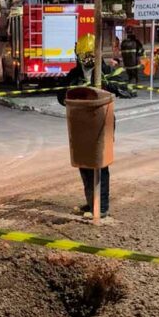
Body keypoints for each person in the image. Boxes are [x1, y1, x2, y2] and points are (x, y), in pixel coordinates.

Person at [58, 34, 130, 219]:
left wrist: (106, 85)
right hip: (80, 124)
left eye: (90, 56)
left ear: (97, 55)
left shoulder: (106, 71)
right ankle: (91, 202)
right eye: (84, 56)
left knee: (99, 163)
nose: (87, 60)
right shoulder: (75, 74)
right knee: (84, 162)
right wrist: (74, 90)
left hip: (101, 122)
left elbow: (125, 88)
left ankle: (102, 207)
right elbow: (60, 96)